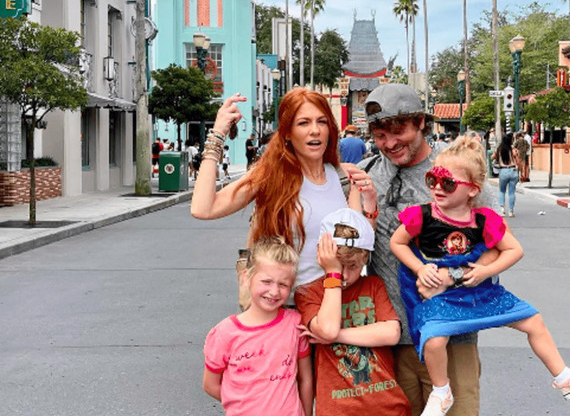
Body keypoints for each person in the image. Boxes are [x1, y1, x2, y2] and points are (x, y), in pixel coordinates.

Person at [389, 136, 570, 414]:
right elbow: (396, 242)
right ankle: (441, 391)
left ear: (472, 190)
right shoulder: (421, 215)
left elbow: (514, 250)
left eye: (448, 183)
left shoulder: (484, 219)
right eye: (432, 180)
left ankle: (564, 377)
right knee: (434, 340)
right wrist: (420, 267)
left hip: (480, 292)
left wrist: (486, 271)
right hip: (441, 298)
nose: (437, 189)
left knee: (533, 321)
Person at [358, 83, 487, 416]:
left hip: (451, 335)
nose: (389, 143)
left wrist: (454, 275)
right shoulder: (369, 173)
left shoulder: (453, 173)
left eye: (398, 130)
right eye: (380, 135)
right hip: (391, 337)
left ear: (421, 123)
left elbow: (492, 246)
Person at [191, 89, 377, 310]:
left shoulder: (344, 178)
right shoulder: (270, 175)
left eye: (322, 122)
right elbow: (204, 208)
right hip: (282, 312)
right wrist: (217, 136)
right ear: (287, 132)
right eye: (303, 123)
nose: (315, 131)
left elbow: (357, 243)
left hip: (332, 310)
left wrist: (371, 204)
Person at [295, 208, 412, 415]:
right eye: (339, 266)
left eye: (353, 266)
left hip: (387, 405)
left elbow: (391, 333)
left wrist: (334, 337)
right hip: (338, 410)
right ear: (322, 256)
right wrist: (332, 275)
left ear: (365, 259)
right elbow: (328, 329)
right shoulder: (308, 293)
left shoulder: (373, 285)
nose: (346, 275)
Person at [202, 236, 314, 416]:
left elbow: (305, 379)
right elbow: (210, 384)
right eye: (266, 281)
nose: (274, 291)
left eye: (283, 284)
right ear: (247, 277)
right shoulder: (225, 333)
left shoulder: (295, 323)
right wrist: (245, 405)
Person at [491, 133, 520, 217]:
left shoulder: (499, 149)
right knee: (511, 192)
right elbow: (518, 162)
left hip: (503, 170)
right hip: (513, 170)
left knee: (502, 190)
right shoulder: (513, 150)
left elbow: (492, 157)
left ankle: (502, 208)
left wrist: (497, 157)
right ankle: (511, 211)